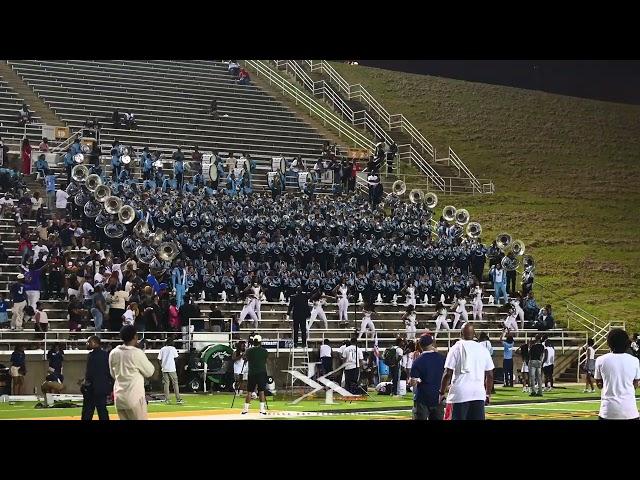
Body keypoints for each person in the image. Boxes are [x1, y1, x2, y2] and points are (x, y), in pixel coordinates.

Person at [440, 323, 494, 420]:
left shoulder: (455, 348)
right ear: (474, 334)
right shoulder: (483, 349)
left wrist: (441, 393)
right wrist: (488, 394)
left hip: (459, 394)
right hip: (478, 393)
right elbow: (489, 375)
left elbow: (447, 373)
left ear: (461, 333)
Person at [108, 325, 155, 420]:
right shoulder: (136, 353)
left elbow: (113, 374)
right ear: (135, 337)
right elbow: (150, 371)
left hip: (119, 397)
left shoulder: (113, 352)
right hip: (134, 397)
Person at [594, 329, 640, 420]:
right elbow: (636, 383)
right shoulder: (634, 360)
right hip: (630, 411)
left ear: (609, 343)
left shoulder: (600, 360)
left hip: (607, 411)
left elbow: (599, 384)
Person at [411, 334, 445, 420]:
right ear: (432, 343)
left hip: (422, 397)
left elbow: (413, 382)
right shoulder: (442, 358)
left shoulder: (418, 361)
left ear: (420, 345)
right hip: (438, 396)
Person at [81, 335, 112, 421]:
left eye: (89, 342)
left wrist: (85, 384)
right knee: (102, 412)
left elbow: (90, 373)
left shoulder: (91, 356)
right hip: (102, 388)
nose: (87, 344)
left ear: (94, 343)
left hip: (91, 389)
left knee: (87, 412)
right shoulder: (106, 355)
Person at [242, 334, 268, 415]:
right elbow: (265, 360)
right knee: (261, 391)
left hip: (252, 373)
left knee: (249, 391)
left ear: (253, 342)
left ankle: (245, 410)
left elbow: (244, 358)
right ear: (260, 342)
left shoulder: (249, 350)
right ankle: (262, 410)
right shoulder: (264, 351)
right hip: (261, 372)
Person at [158, 338, 183, 404]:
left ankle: (167, 399)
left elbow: (159, 359)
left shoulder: (162, 349)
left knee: (166, 384)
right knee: (175, 383)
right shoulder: (173, 349)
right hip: (171, 368)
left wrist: (162, 366)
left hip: (164, 368)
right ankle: (178, 399)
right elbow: (176, 357)